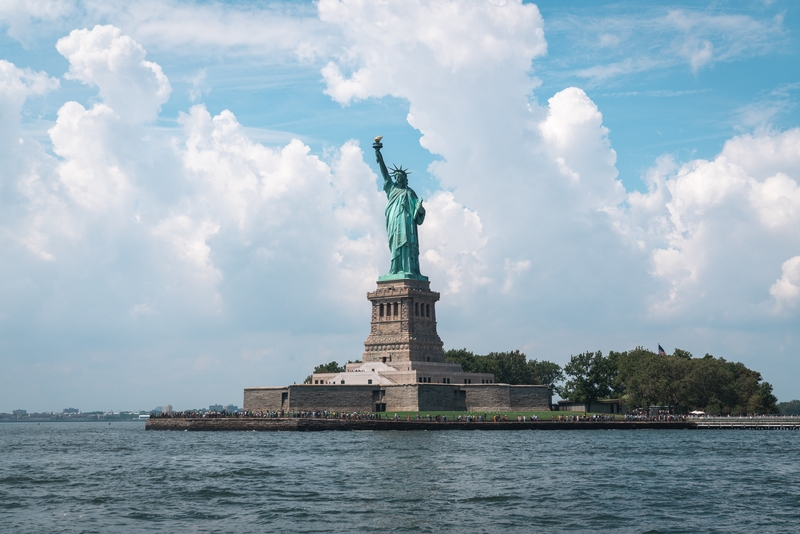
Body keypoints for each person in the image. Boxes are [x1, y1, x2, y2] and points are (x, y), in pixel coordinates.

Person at [373, 138, 426, 278]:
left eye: (400, 177)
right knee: (396, 244)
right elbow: (384, 173)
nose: (397, 179)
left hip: (407, 223)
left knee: (407, 244)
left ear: (404, 178)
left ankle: (410, 269)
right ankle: (395, 270)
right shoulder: (391, 189)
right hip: (394, 222)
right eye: (396, 177)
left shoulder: (410, 192)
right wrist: (378, 153)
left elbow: (419, 212)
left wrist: (420, 209)